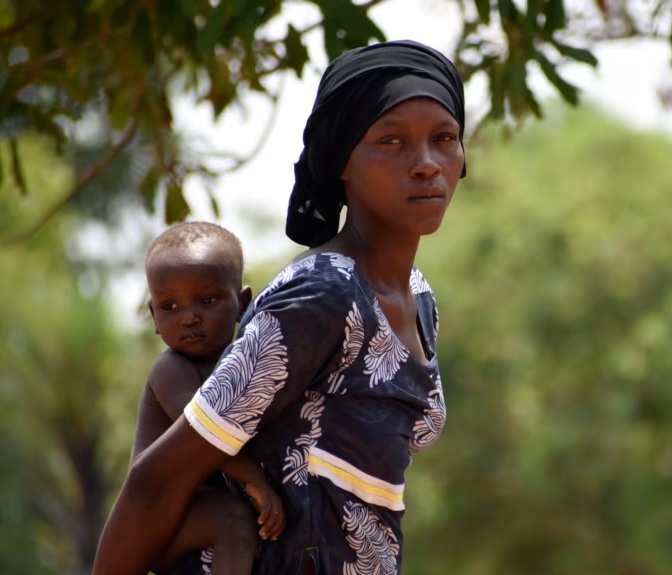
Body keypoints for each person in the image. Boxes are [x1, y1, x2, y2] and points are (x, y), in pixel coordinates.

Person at [94, 39, 466, 575]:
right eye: (391, 141)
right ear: (341, 163)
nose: (427, 164)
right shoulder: (324, 294)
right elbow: (158, 481)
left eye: (444, 139)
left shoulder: (419, 296)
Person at [133, 221, 285, 574]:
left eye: (207, 300)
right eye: (169, 307)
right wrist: (255, 481)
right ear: (154, 317)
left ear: (243, 303)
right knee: (233, 520)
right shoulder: (171, 370)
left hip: (196, 512)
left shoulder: (244, 367)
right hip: (157, 513)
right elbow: (206, 435)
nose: (189, 317)